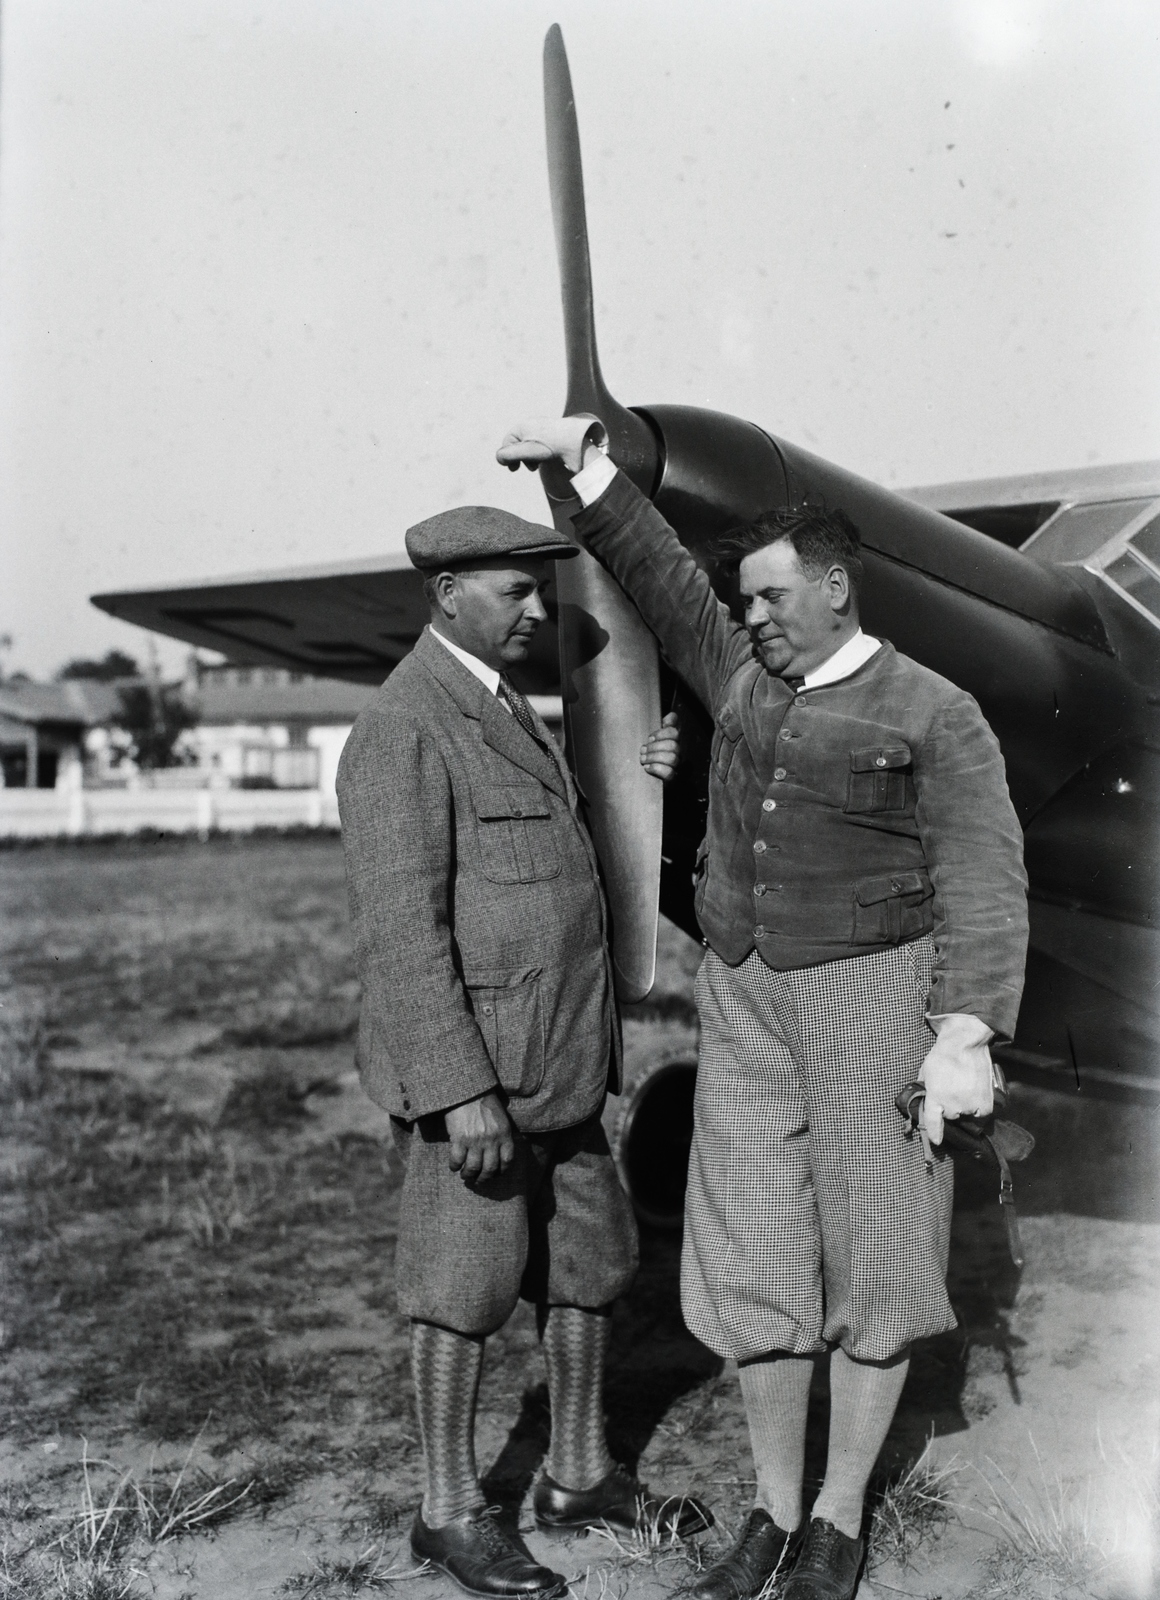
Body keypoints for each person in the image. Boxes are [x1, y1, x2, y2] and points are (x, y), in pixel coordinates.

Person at [496, 420, 1029, 1600]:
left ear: (837, 588)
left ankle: (837, 1519)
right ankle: (772, 1510)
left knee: (879, 1250)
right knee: (750, 1247)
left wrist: (964, 1032)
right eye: (745, 602)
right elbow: (656, 567)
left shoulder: (936, 712)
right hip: (738, 996)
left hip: (872, 994)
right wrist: (579, 464)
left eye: (775, 598)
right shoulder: (739, 671)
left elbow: (985, 881)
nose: (752, 618)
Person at [337, 503, 707, 1600]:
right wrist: (458, 1095)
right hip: (483, 1086)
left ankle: (578, 1473)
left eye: (535, 590)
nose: (534, 609)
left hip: (561, 1074)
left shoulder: (500, 707)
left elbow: (559, 866)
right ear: (446, 591)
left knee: (589, 1269)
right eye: (511, 590)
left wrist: (644, 779)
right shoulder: (405, 726)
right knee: (461, 1288)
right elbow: (404, 936)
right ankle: (449, 1511)